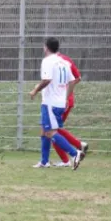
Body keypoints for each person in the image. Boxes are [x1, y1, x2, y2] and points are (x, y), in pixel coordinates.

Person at [29, 37, 85, 170]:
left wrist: (35, 90)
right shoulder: (63, 62)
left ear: (46, 47)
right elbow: (72, 81)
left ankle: (75, 153)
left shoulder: (48, 61)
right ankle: (44, 162)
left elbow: (47, 80)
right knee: (44, 130)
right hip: (59, 102)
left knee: (51, 132)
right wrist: (66, 98)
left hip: (50, 103)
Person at [51, 52, 89, 167]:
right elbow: (78, 78)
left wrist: (63, 90)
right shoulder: (65, 60)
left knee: (52, 131)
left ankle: (73, 152)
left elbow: (77, 78)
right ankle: (69, 156)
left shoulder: (56, 61)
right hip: (64, 100)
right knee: (54, 130)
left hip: (62, 101)